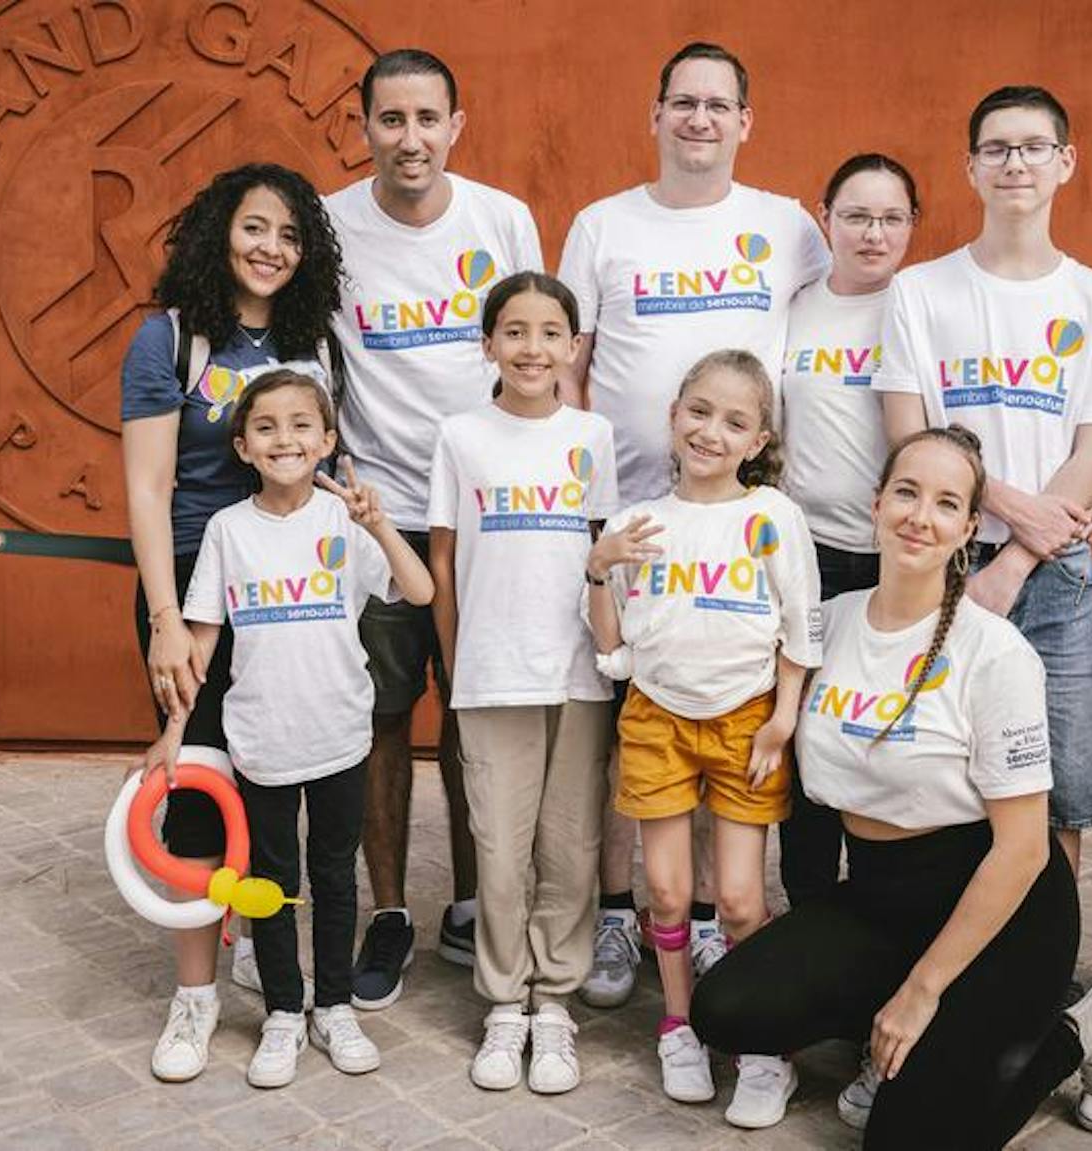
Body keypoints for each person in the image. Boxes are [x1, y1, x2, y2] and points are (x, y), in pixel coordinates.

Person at [690, 426, 1092, 1147]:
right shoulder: (829, 625)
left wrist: (921, 991)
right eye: (905, 492)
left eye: (945, 503)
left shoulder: (993, 652)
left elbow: (1024, 850)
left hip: (1003, 911)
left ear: (969, 527)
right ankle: (916, 1043)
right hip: (880, 897)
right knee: (724, 1007)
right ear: (876, 504)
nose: (919, 515)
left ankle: (1075, 1031)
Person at [560, 41, 829, 1006]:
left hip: (741, 529)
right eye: (683, 102)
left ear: (745, 122)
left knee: (735, 710)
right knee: (635, 727)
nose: (700, 120)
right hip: (638, 517)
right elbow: (575, 364)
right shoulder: (602, 225)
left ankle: (722, 930)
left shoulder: (788, 227)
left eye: (720, 105)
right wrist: (596, 507)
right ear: (656, 112)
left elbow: (831, 322)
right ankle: (625, 914)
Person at [326, 48, 547, 1008]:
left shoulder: (501, 219)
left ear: (458, 123)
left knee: (477, 716)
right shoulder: (330, 227)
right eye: (390, 120)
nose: (409, 139)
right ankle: (387, 912)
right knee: (378, 717)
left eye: (427, 119)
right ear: (364, 124)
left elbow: (539, 351)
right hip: (377, 516)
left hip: (487, 516)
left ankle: (469, 901)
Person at [876, 85, 1092, 876]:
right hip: (942, 561)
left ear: (1066, 162)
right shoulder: (921, 291)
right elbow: (908, 434)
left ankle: (1043, 963)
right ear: (971, 167)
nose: (1014, 162)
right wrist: (996, 506)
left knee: (1059, 779)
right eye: (997, 148)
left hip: (1055, 572)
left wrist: (1017, 560)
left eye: (1033, 147)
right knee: (940, 768)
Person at [119, 162, 343, 1084]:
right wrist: (167, 621)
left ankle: (278, 964)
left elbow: (319, 459)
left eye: (290, 236)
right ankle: (197, 996)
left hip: (286, 588)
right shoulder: (167, 339)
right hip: (189, 588)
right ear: (220, 232)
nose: (271, 249)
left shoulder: (309, 342)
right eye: (256, 228)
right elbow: (147, 484)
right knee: (199, 781)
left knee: (278, 776)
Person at [168, 370, 434, 1088]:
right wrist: (172, 733)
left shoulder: (345, 520)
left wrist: (378, 522)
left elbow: (420, 590)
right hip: (261, 738)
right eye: (266, 427)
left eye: (299, 424)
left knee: (335, 874)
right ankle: (285, 1009)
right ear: (243, 446)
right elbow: (198, 642)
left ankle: (335, 1003)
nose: (284, 438)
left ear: (327, 439)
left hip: (340, 733)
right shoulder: (227, 531)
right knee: (274, 882)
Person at [583, 350, 820, 1127]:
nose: (711, 431)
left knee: (745, 900)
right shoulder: (634, 524)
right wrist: (598, 567)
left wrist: (784, 717)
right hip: (656, 717)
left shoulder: (772, 517)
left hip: (746, 719)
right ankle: (679, 1024)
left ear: (758, 440)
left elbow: (799, 624)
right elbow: (612, 649)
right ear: (674, 414)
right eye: (699, 411)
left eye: (735, 421)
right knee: (671, 894)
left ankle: (760, 1044)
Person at [428, 272, 619, 1095]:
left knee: (569, 846)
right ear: (488, 344)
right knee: (499, 850)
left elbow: (601, 553)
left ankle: (556, 1001)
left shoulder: (593, 433)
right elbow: (442, 560)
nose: (532, 348)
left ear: (573, 346)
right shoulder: (461, 435)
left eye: (550, 332)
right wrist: (454, 660)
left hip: (576, 671)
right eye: (514, 331)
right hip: (490, 670)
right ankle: (505, 1002)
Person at [776, 151, 921, 912]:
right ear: (824, 218)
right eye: (857, 216)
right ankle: (809, 909)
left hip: (899, 559)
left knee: (884, 734)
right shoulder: (794, 307)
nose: (873, 233)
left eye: (892, 218)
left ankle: (882, 906)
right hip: (809, 556)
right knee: (808, 733)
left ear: (912, 228)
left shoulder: (923, 304)